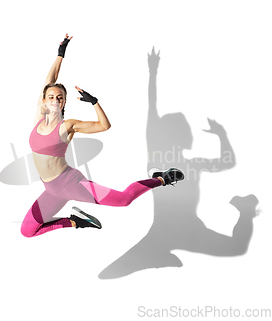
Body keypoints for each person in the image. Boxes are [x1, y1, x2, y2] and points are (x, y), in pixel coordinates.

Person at [20, 34, 184, 237]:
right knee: (27, 231)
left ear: (64, 102)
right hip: (51, 190)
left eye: (60, 98)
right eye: (51, 96)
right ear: (44, 99)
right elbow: (49, 80)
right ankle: (75, 222)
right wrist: (60, 55)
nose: (55, 100)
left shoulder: (67, 126)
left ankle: (161, 179)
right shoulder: (38, 116)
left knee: (124, 200)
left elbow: (104, 126)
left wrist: (94, 102)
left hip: (70, 184)